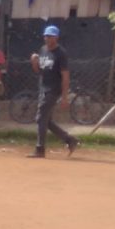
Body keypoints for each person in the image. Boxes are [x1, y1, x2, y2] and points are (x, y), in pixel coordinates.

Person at [28, 25, 78, 158]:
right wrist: (34, 62)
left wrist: (65, 97)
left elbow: (65, 76)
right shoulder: (43, 50)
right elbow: (39, 71)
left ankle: (40, 149)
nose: (47, 38)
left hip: (53, 89)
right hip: (43, 88)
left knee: (40, 118)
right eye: (46, 36)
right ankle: (70, 140)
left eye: (50, 36)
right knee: (45, 120)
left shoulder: (61, 53)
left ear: (56, 37)